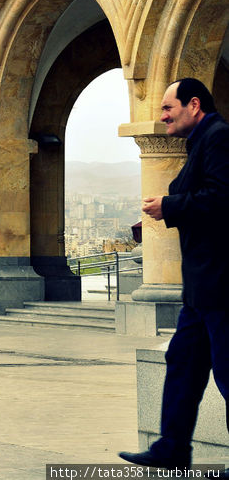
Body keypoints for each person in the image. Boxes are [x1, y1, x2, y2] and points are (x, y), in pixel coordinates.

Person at [119, 78, 229, 472]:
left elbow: (221, 199)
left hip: (220, 285)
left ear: (193, 105)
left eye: (168, 108)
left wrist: (170, 204)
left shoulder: (218, 137)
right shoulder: (201, 141)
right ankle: (172, 449)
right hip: (201, 288)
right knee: (183, 365)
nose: (162, 116)